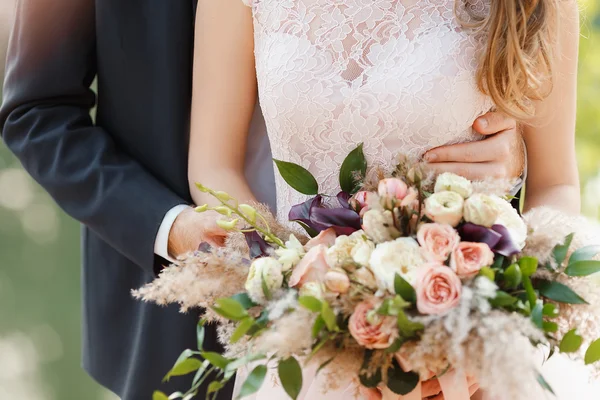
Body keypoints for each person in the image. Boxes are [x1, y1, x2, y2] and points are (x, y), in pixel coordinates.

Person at [0, 0, 525, 399]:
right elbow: (37, 110)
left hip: (439, 303)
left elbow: (512, 75)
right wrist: (172, 227)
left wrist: (510, 148)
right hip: (184, 313)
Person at [186, 0, 581, 399]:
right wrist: (293, 289)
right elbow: (214, 168)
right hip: (309, 340)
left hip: (466, 353)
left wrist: (502, 318)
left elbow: (556, 183)